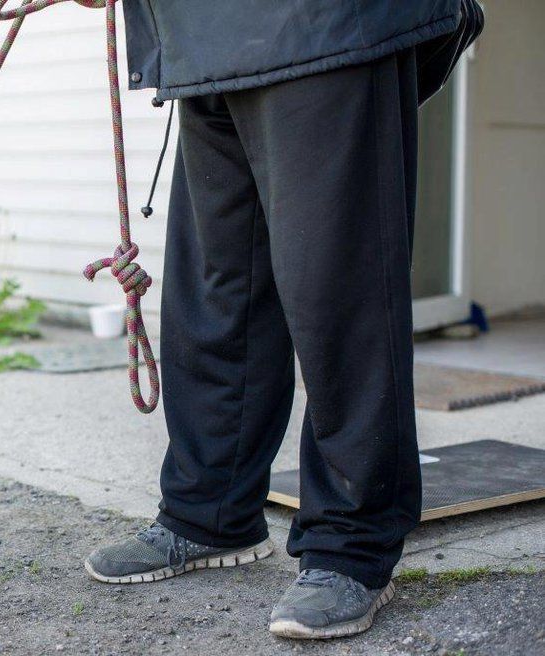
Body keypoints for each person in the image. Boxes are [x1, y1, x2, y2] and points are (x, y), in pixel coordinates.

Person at [85, 0, 483, 639]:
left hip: (322, 21)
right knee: (220, 293)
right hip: (200, 38)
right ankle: (207, 511)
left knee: (338, 293)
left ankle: (349, 545)